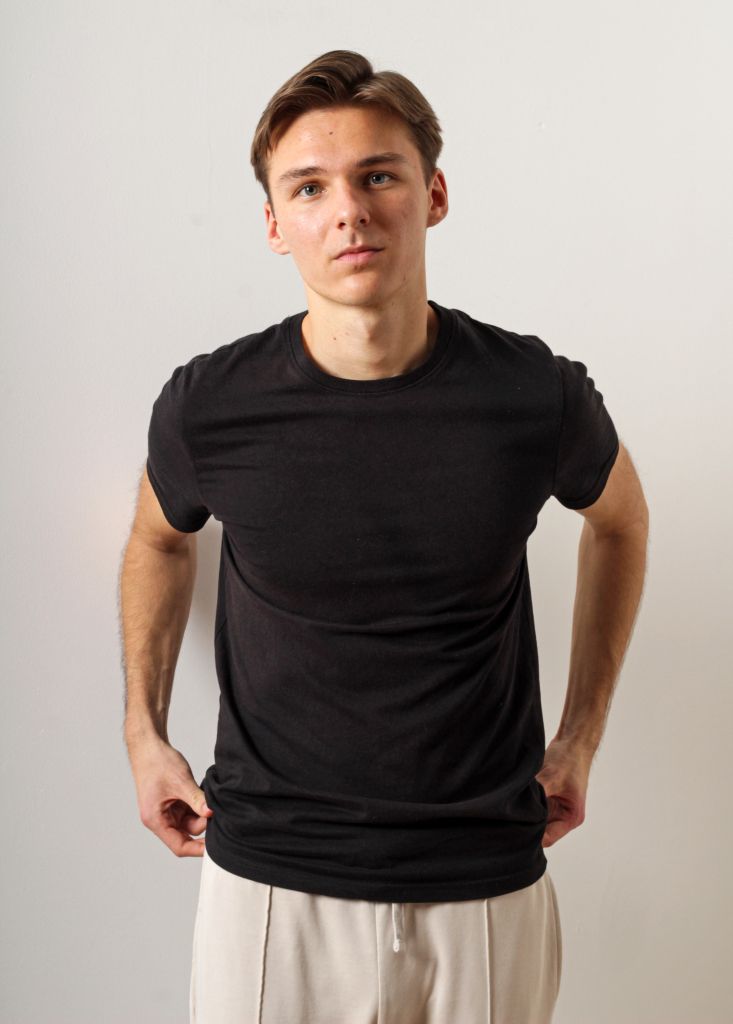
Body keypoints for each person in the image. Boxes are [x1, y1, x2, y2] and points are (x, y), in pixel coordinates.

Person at [120, 49, 649, 1024]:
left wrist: (579, 737)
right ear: (274, 224)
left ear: (433, 194)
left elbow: (618, 520)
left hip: (483, 877)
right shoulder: (211, 405)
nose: (348, 212)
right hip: (271, 878)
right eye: (309, 187)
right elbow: (158, 538)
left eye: (378, 176)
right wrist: (142, 732)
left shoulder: (532, 394)